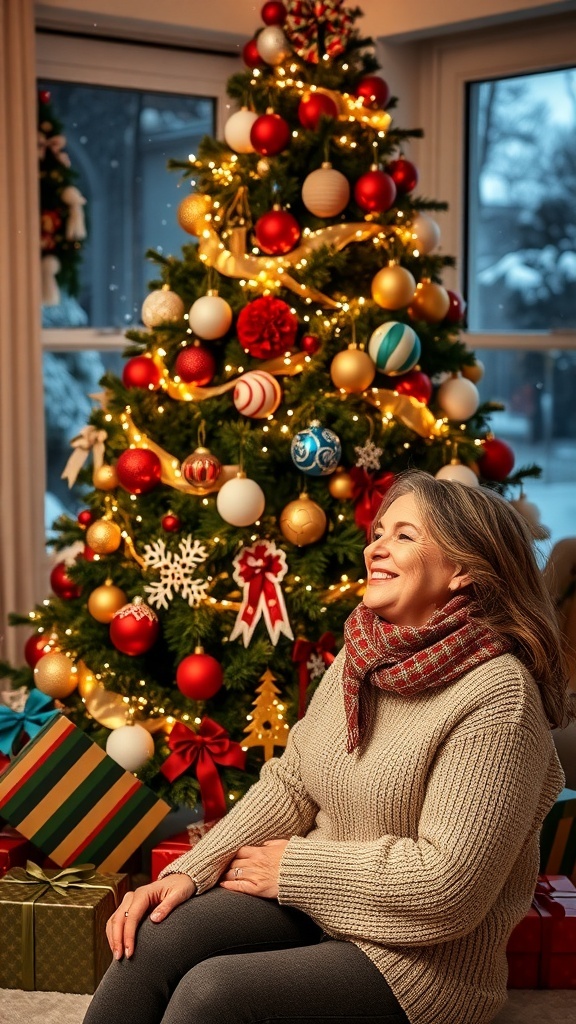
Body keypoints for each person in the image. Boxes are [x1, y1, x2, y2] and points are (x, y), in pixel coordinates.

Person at [84, 470, 572, 1024]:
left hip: (423, 965)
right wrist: (187, 873)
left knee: (213, 994)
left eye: (404, 536)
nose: (376, 549)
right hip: (320, 908)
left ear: (462, 569)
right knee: (155, 937)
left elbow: (448, 887)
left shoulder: (499, 696)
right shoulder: (363, 654)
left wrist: (293, 870)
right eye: (378, 533)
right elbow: (294, 784)